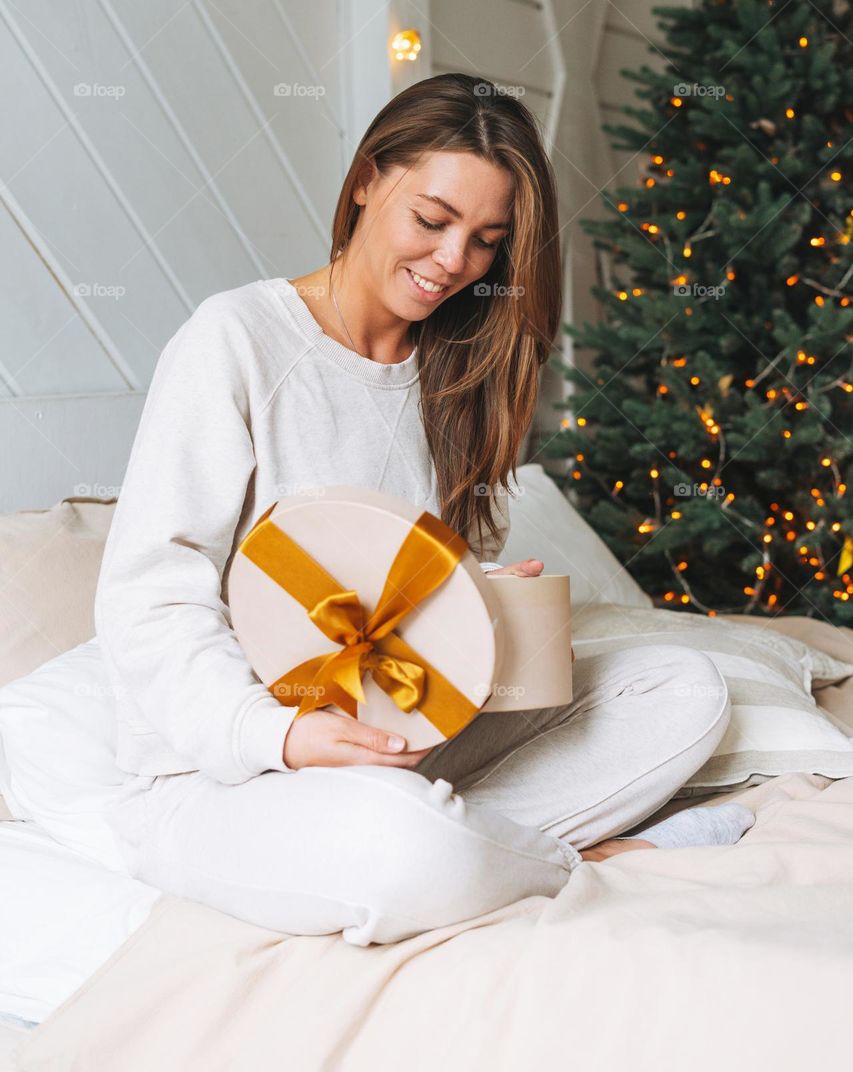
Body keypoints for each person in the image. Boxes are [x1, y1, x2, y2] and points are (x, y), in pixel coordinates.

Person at [3, 74, 751, 948]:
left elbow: (408, 603)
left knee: (685, 691)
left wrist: (475, 600)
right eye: (431, 220)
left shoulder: (460, 373)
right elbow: (150, 597)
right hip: (227, 773)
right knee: (399, 846)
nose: (452, 261)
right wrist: (278, 734)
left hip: (404, 737)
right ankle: (582, 856)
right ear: (366, 179)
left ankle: (468, 840)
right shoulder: (236, 340)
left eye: (485, 241)